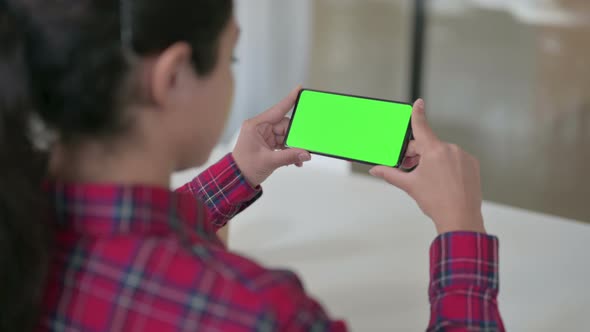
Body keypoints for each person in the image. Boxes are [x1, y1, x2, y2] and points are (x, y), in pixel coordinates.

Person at [0, 0, 504, 331]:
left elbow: (126, 230)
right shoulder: (259, 311)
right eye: (230, 60)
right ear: (173, 76)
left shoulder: (20, 222)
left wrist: (236, 172)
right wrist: (461, 227)